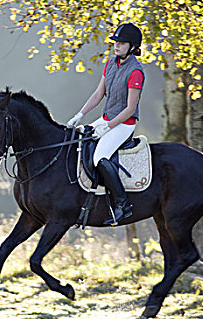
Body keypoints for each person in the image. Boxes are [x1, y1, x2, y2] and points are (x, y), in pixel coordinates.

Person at [67, 23, 145, 225]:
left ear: (132, 46)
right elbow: (99, 93)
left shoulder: (136, 72)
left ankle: (122, 205)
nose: (116, 46)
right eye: (115, 42)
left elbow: (129, 109)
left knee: (100, 157)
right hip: (107, 119)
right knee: (79, 141)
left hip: (124, 124)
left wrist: (108, 127)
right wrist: (80, 114)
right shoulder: (110, 63)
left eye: (121, 43)